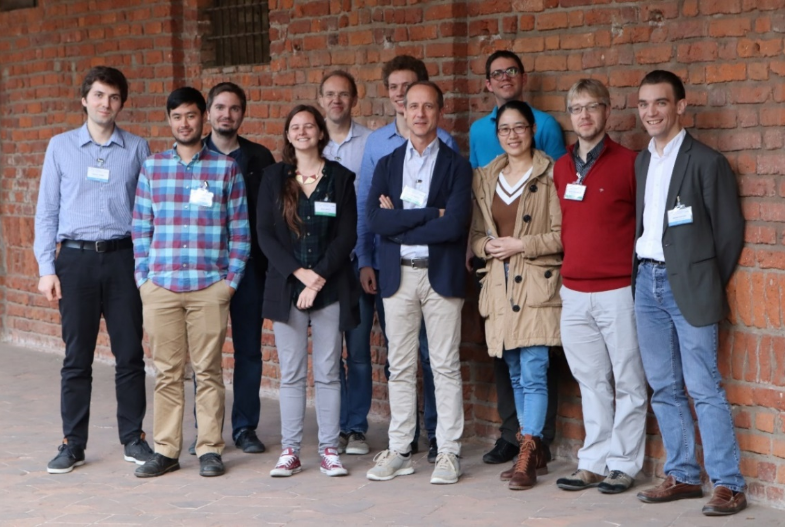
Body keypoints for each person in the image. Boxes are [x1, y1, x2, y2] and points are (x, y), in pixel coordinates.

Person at [632, 70, 747, 516]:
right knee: (663, 386)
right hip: (647, 284)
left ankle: (729, 484)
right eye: (644, 104)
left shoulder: (706, 161)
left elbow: (729, 233)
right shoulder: (643, 161)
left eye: (660, 102)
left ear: (680, 106)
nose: (651, 112)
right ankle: (682, 475)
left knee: (703, 387)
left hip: (690, 286)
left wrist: (703, 278)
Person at [34, 66, 154, 474]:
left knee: (130, 354)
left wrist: (147, 265)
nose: (106, 103)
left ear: (122, 103)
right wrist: (46, 268)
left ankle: (133, 438)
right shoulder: (60, 147)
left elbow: (148, 211)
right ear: (84, 100)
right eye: (99, 95)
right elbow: (46, 211)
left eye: (114, 97)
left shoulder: (137, 148)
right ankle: (73, 443)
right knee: (77, 357)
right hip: (75, 261)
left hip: (124, 259)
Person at [132, 87, 250, 478]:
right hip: (161, 286)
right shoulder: (152, 167)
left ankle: (210, 449)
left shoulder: (225, 169)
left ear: (204, 119)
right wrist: (144, 279)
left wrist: (229, 283)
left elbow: (240, 232)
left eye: (191, 115)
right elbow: (140, 228)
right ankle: (166, 450)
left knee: (209, 371)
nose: (184, 123)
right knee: (166, 372)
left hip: (208, 287)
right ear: (170, 120)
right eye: (177, 116)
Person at [365, 81, 471, 485]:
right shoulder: (387, 164)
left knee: (444, 365)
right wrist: (429, 214)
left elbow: (455, 224)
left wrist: (401, 221)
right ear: (403, 111)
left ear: (439, 112)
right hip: (399, 276)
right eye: (413, 106)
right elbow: (377, 221)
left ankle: (448, 452)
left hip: (441, 274)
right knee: (401, 366)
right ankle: (400, 449)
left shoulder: (456, 165)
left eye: (428, 107)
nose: (420, 114)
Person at [468, 50, 567, 466]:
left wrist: (520, 245)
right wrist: (486, 248)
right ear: (497, 133)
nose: (512, 135)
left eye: (520, 127)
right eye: (505, 129)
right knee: (513, 371)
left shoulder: (553, 173)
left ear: (533, 130)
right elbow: (476, 235)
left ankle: (529, 450)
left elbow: (562, 235)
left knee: (535, 369)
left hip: (537, 284)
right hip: (499, 284)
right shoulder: (485, 177)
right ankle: (530, 446)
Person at [552, 79, 647, 494]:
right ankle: (592, 462)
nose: (584, 115)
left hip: (618, 290)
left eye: (592, 107)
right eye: (576, 108)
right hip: (573, 291)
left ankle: (623, 464)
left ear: (607, 111)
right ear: (570, 116)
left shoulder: (631, 163)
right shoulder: (561, 167)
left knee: (628, 380)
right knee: (590, 381)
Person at [257, 105, 359, 478]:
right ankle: (291, 451)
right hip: (287, 286)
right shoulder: (273, 177)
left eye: (309, 126)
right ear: (288, 135)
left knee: (329, 371)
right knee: (292, 372)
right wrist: (300, 275)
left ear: (320, 132)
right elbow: (265, 234)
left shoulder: (341, 178)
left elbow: (347, 235)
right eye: (295, 127)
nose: (302, 132)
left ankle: (330, 450)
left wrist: (317, 278)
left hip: (330, 288)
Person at [186, 82, 275, 456]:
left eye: (234, 108)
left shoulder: (260, 158)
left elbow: (270, 216)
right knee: (204, 356)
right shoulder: (192, 155)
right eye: (220, 107)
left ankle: (245, 427)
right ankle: (205, 431)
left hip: (248, 269)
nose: (227, 114)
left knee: (249, 351)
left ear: (243, 113)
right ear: (209, 112)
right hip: (204, 270)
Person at [316, 70, 373, 455]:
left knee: (360, 350)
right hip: (322, 266)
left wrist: (365, 256)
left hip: (356, 260)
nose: (336, 100)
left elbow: (371, 203)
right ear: (320, 99)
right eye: (329, 94)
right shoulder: (310, 141)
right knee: (327, 352)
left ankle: (356, 428)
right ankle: (332, 427)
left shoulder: (370, 143)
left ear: (354, 99)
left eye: (343, 94)